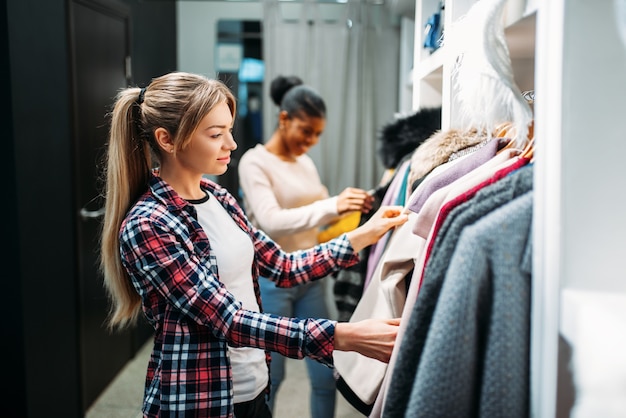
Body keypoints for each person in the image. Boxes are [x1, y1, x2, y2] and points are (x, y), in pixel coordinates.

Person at [99, 71, 408, 418]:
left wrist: (365, 234)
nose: (231, 144)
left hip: (253, 385)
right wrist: (343, 336)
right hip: (200, 399)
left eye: (229, 131)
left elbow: (283, 266)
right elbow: (228, 320)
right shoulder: (148, 225)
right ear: (167, 140)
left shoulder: (218, 197)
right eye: (216, 134)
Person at [237, 75, 375, 417]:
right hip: (271, 283)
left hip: (310, 280)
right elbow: (272, 220)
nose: (311, 141)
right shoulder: (254, 163)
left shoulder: (306, 163)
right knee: (271, 377)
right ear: (284, 119)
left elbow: (317, 219)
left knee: (326, 371)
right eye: (306, 131)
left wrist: (357, 209)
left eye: (318, 135)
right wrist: (333, 204)